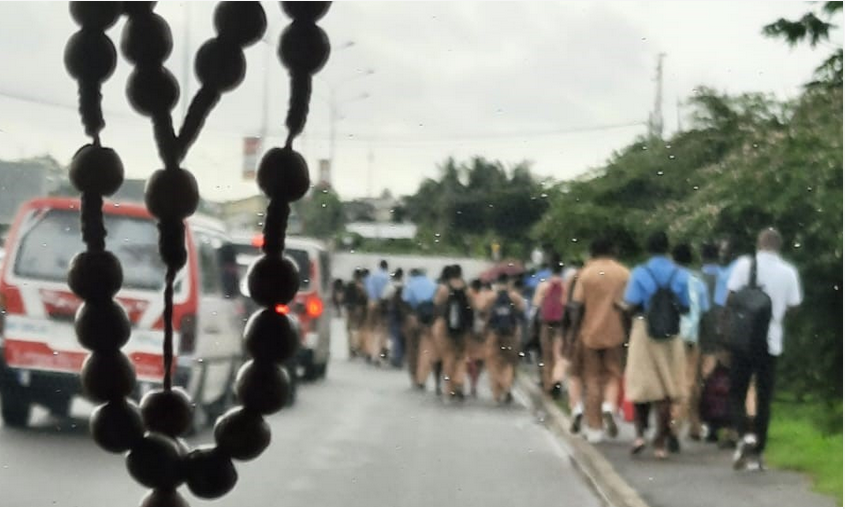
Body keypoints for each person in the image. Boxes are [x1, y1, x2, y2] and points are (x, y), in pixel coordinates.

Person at [727, 228, 801, 471]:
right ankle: (757, 454)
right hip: (771, 341)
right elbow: (794, 306)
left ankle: (743, 435)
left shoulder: (743, 266)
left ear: (759, 244)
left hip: (743, 341)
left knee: (737, 392)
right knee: (764, 396)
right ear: (779, 246)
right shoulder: (789, 272)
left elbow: (731, 297)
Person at [622, 231, 689, 459]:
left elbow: (631, 304)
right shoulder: (679, 274)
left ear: (648, 249)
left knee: (641, 385)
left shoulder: (640, 272)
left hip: (644, 330)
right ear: (667, 248)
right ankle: (660, 443)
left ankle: (640, 434)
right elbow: (686, 306)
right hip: (671, 335)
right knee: (666, 389)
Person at [570, 238, 630, 444]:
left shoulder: (585, 274)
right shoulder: (623, 273)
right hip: (616, 332)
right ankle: (609, 407)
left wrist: (572, 334)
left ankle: (595, 427)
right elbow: (629, 305)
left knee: (592, 378)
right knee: (613, 374)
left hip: (589, 333)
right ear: (612, 250)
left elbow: (577, 305)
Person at [671, 243, 711, 447]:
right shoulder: (697, 281)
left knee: (668, 380)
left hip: (667, 336)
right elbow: (704, 309)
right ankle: (677, 427)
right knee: (688, 382)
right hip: (691, 337)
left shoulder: (668, 277)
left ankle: (668, 423)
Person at [481, 273, 526, 403]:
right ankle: (507, 387)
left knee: (493, 363)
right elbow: (522, 315)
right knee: (509, 362)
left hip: (494, 334)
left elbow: (483, 312)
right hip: (511, 334)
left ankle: (496, 392)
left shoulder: (491, 297)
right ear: (508, 283)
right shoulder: (515, 297)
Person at [433, 264, 473, 400]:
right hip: (463, 327)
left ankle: (449, 388)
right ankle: (460, 383)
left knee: (448, 356)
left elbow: (436, 303)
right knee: (461, 356)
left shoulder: (444, 288)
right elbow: (473, 306)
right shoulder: (467, 288)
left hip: (447, 326)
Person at [532, 255, 567, 398]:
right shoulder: (566, 286)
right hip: (562, 325)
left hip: (546, 324)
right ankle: (557, 380)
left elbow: (535, 304)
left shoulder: (543, 285)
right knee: (559, 355)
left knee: (546, 356)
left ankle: (547, 384)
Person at [403, 268, 438, 388]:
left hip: (414, 317)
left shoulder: (410, 284)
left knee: (412, 349)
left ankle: (414, 378)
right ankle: (422, 378)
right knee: (426, 349)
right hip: (429, 321)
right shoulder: (433, 284)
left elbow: (406, 302)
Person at [466, 278, 490, 398]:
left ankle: (471, 382)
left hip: (469, 333)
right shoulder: (485, 297)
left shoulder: (468, 296)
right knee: (480, 360)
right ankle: (474, 384)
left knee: (469, 359)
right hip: (482, 332)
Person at [363, 260, 390, 363]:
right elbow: (389, 291)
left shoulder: (372, 276)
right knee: (382, 329)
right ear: (386, 267)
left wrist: (373, 298)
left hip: (372, 302)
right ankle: (379, 353)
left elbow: (368, 288)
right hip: (383, 305)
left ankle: (368, 352)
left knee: (369, 328)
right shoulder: (387, 277)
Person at [383, 268, 407, 368]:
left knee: (395, 336)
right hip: (404, 314)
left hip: (393, 313)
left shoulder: (390, 286)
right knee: (402, 337)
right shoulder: (405, 286)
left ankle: (396, 358)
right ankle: (401, 357)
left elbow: (384, 298)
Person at [344, 269, 369, 358]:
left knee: (350, 330)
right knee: (359, 329)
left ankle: (352, 349)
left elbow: (345, 298)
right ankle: (359, 348)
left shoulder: (350, 285)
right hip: (360, 310)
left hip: (350, 309)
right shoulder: (364, 286)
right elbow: (365, 300)